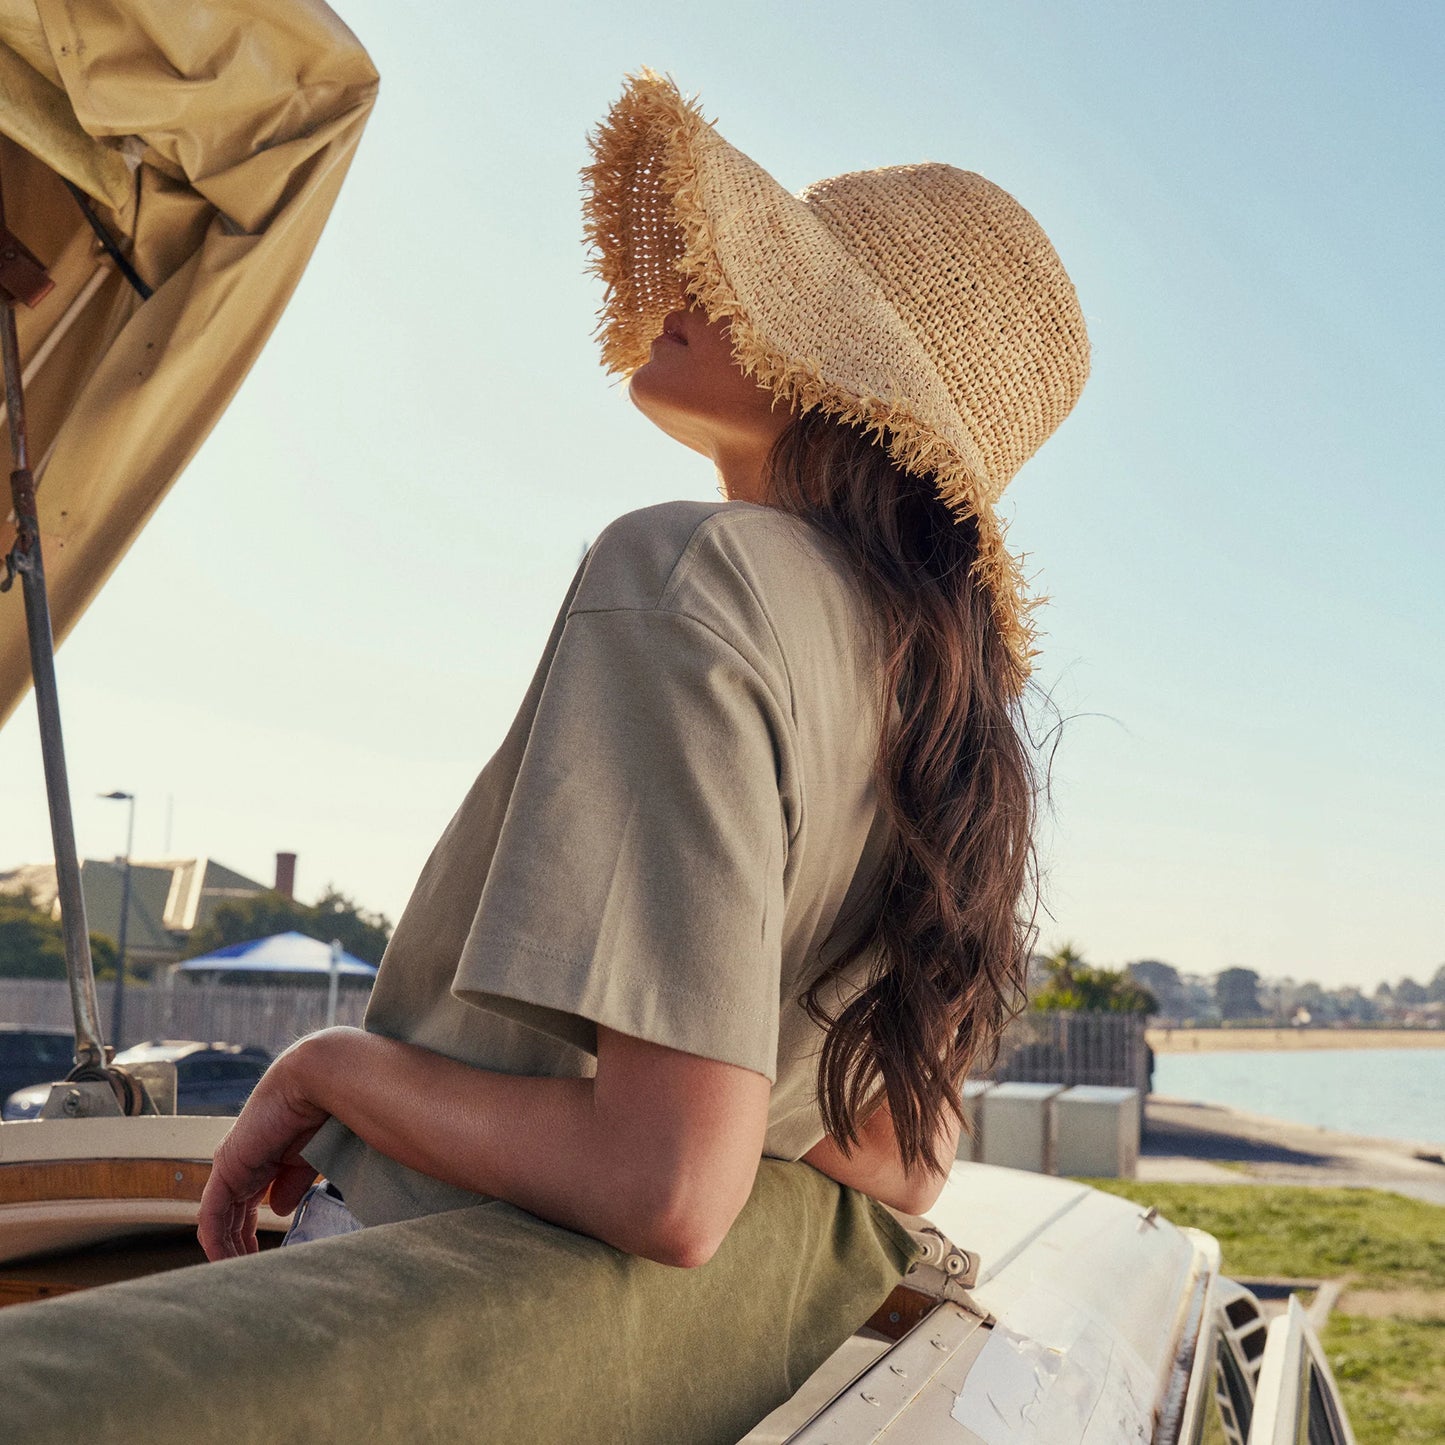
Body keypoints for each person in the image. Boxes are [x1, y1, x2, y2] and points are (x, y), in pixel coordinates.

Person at [197, 71, 1089, 1279]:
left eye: (752, 277)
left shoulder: (688, 572)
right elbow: (902, 1156)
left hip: (426, 1291)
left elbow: (666, 1185)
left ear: (842, 370)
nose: (678, 288)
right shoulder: (931, 692)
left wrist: (329, 1069)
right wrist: (739, 1097)